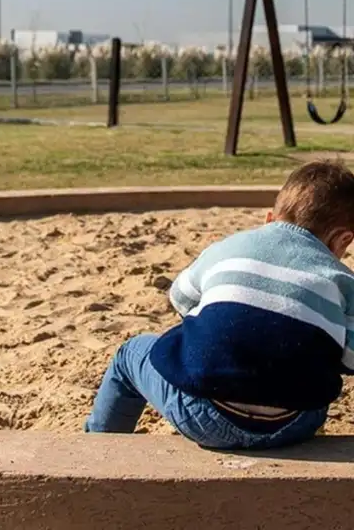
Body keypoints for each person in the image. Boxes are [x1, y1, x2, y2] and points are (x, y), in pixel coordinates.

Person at [85, 158, 354, 450]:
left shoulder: (229, 246)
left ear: (268, 220)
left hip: (201, 415)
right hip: (294, 424)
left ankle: (97, 449)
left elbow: (181, 298)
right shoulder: (342, 279)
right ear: (343, 239)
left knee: (129, 355)